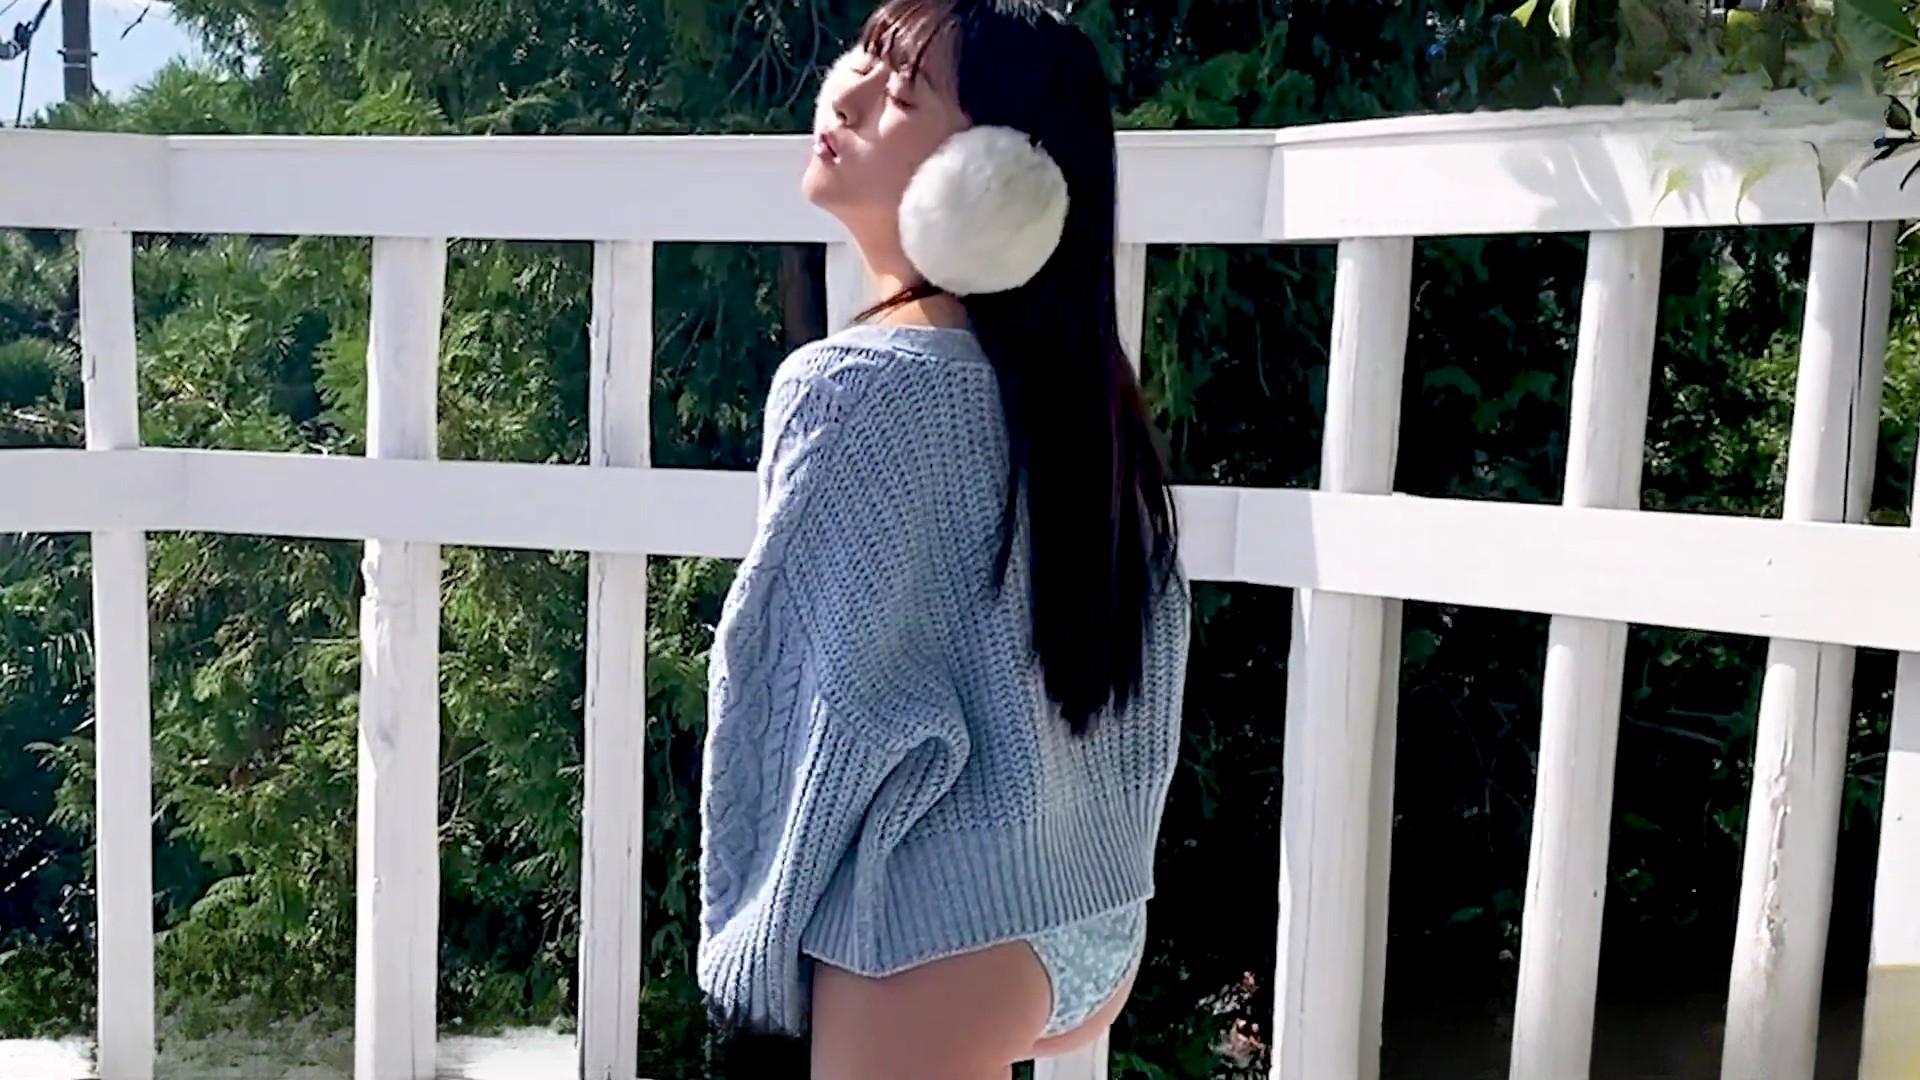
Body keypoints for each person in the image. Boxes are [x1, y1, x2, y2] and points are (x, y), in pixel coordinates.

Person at [697, 2, 1191, 1076]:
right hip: (1086, 903)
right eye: (865, 61)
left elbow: (813, 704)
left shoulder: (853, 386)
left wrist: (754, 945)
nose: (849, 96)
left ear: (999, 176)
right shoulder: (1082, 403)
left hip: (925, 919)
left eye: (904, 94)